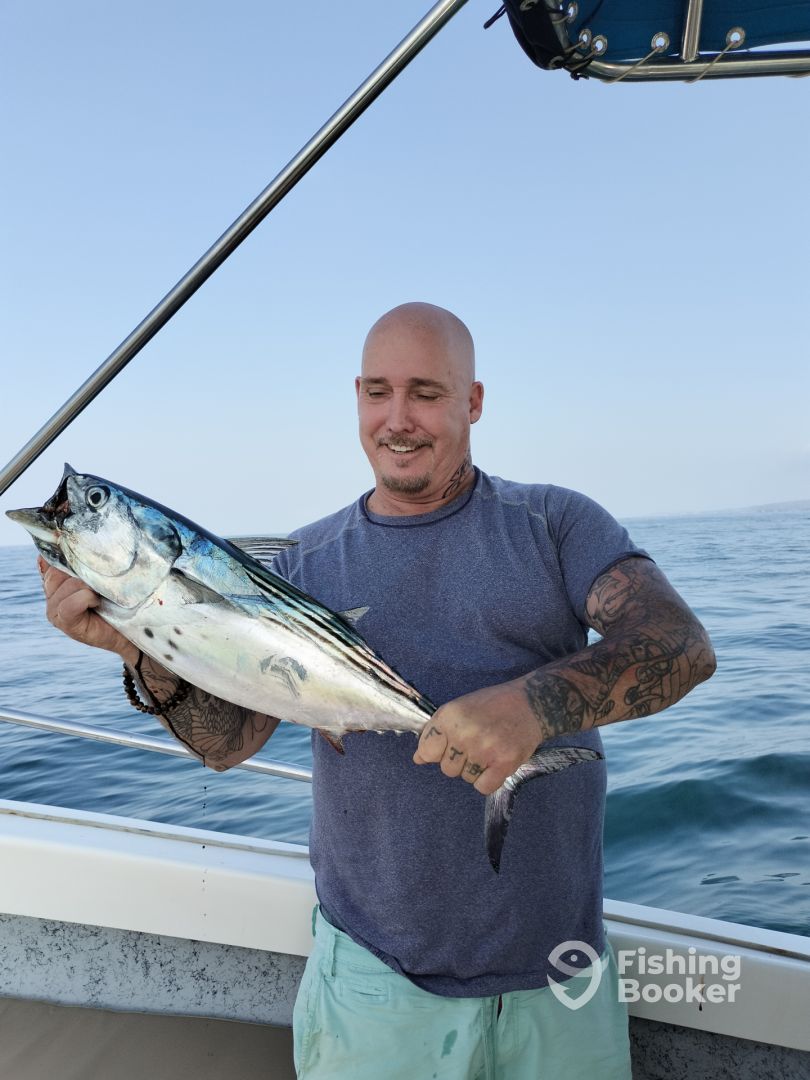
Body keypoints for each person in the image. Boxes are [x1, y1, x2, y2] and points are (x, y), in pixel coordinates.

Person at [39, 302, 716, 1079]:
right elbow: (228, 744)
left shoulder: (553, 523)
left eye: (426, 393)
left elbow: (681, 645)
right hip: (372, 989)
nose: (398, 419)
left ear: (473, 402)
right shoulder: (302, 561)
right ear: (356, 398)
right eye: (377, 392)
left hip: (560, 982)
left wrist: (533, 707)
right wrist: (135, 646)